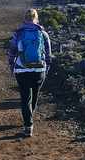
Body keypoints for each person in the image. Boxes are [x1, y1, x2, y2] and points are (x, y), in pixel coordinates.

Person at [6, 9, 53, 137]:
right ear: (36, 18)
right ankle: (29, 117)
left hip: (22, 70)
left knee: (25, 97)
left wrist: (12, 65)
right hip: (39, 70)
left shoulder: (19, 33)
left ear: (25, 19)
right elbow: (48, 55)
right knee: (35, 96)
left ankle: (28, 125)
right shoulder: (43, 33)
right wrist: (46, 68)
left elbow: (12, 51)